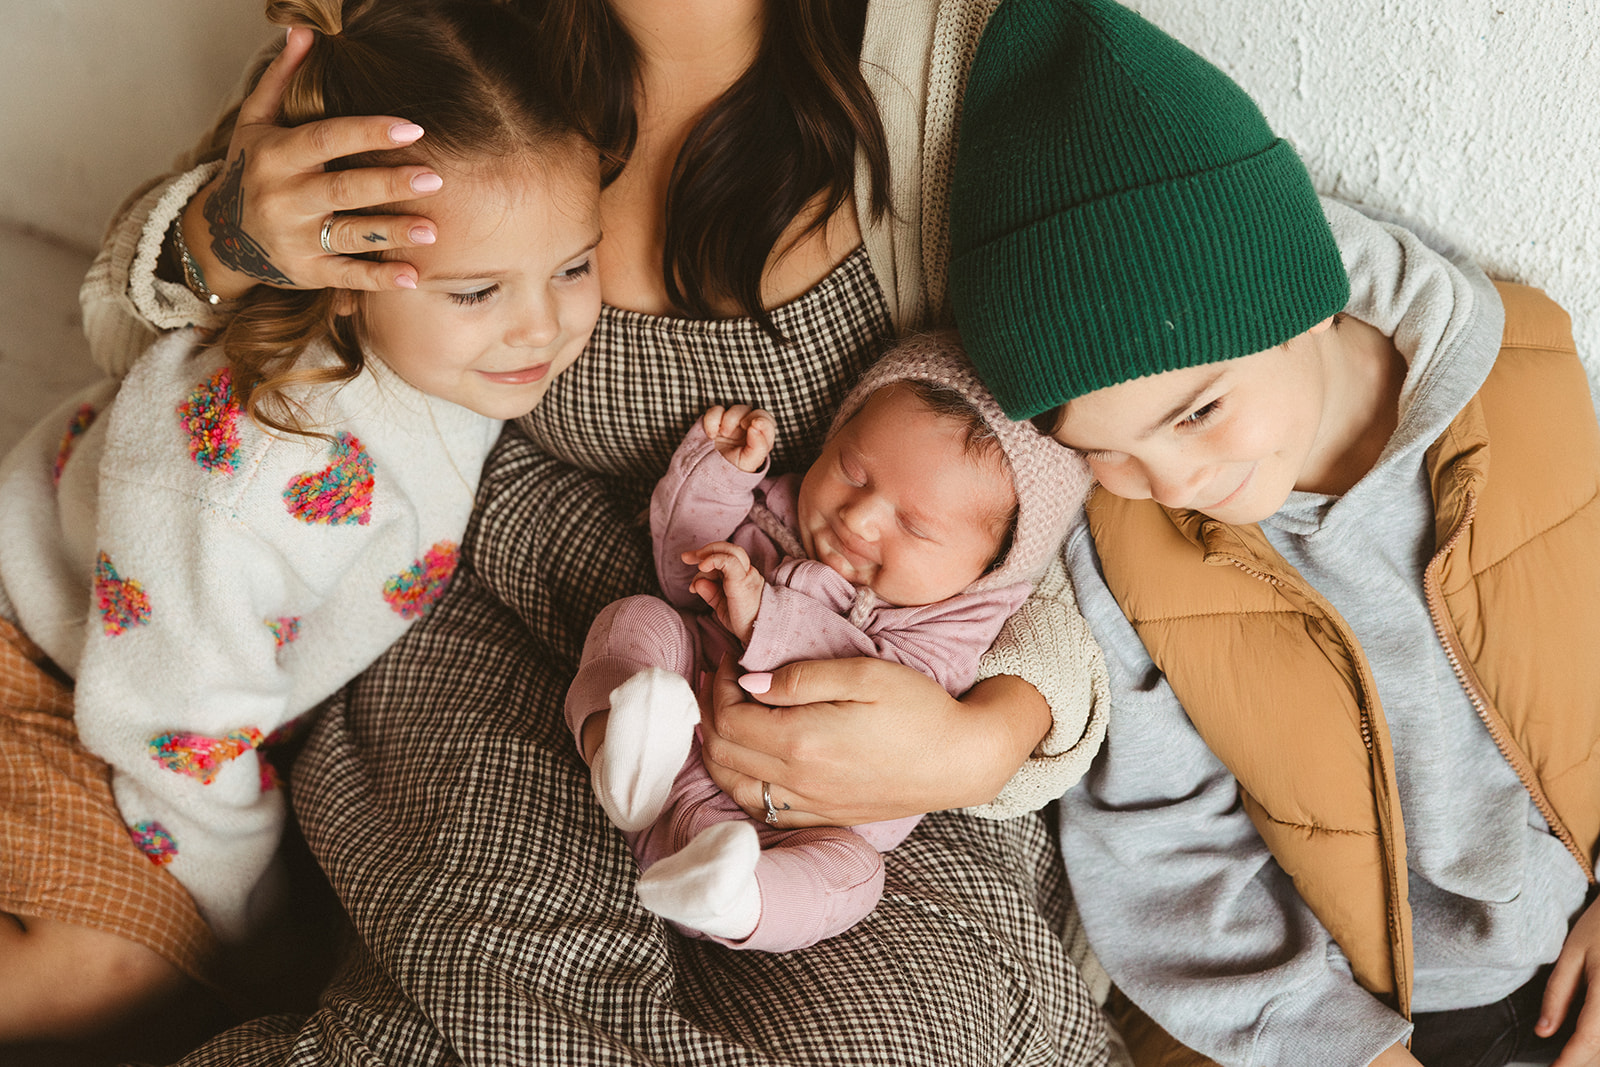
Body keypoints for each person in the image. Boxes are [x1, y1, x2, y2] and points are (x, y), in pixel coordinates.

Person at [76, 1, 1115, 1063]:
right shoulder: (439, 39)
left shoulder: (950, 53)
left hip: (864, 679)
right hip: (497, 616)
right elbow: (136, 343)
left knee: (891, 1031)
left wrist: (986, 735)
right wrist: (223, 238)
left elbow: (1087, 487)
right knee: (497, 994)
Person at [948, 1, 1600, 1065]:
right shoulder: (1121, 542)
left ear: (1302, 299)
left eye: (1197, 411)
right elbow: (1165, 848)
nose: (1176, 482)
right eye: (1103, 447)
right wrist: (1340, 1047)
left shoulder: (1529, 379)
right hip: (1327, 1014)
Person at [0, 0, 603, 1040]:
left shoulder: (450, 354)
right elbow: (173, 726)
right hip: (61, 665)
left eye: (574, 266)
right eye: (476, 290)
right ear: (341, 267)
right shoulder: (255, 476)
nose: (541, 326)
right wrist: (253, 920)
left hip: (155, 668)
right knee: (109, 985)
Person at [567, 333, 1091, 951]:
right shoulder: (781, 509)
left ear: (989, 567)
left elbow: (884, 687)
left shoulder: (959, 622)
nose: (859, 517)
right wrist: (720, 475)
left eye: (915, 526)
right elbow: (682, 575)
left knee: (855, 873)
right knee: (637, 621)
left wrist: (767, 615)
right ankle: (623, 759)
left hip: (803, 817)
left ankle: (738, 896)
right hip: (679, 728)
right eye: (852, 469)